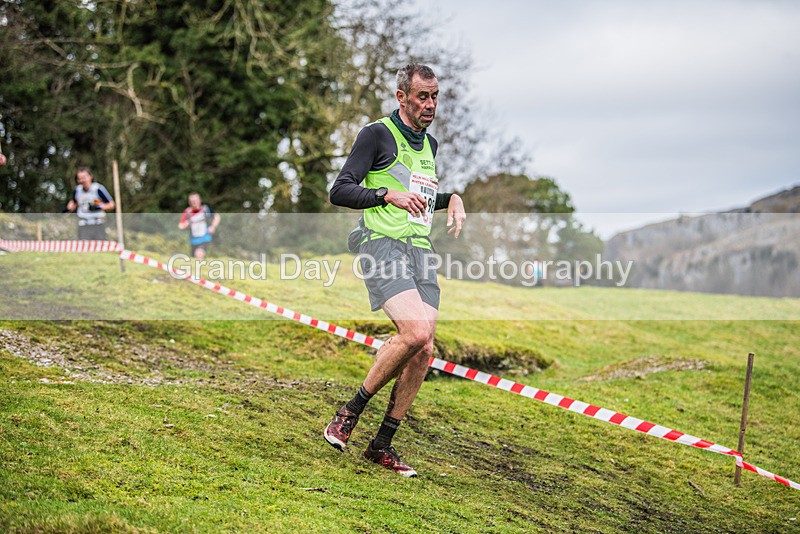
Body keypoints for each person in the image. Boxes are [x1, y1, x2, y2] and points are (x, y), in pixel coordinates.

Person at [325, 63, 466, 477]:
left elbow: (420, 197)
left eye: (435, 96)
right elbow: (340, 190)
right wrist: (386, 194)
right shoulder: (376, 134)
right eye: (422, 96)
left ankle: (382, 444)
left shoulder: (431, 145)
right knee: (416, 332)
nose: (430, 104)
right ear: (402, 97)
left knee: (424, 350)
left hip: (420, 250)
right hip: (381, 244)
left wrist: (451, 198)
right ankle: (348, 414)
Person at [65, 167, 115, 240]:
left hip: (98, 223)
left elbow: (111, 204)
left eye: (84, 177)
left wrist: (98, 207)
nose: (82, 180)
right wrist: (67, 210)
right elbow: (74, 202)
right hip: (83, 224)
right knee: (84, 248)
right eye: (79, 178)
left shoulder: (98, 189)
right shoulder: (77, 190)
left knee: (99, 247)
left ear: (90, 177)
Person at [178, 192, 220, 260]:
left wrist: (213, 226)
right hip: (193, 240)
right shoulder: (187, 212)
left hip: (205, 237)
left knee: (199, 254)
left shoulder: (205, 209)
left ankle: (199, 268)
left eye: (196, 200)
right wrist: (186, 225)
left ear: (200, 200)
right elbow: (180, 226)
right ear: (189, 202)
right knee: (194, 257)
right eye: (192, 201)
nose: (194, 202)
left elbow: (217, 216)